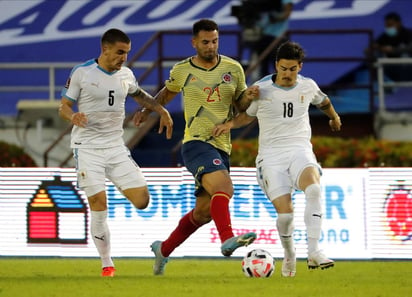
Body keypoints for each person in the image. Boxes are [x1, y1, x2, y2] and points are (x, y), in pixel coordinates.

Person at [134, 19, 259, 275]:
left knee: (203, 213)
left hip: (222, 147)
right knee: (224, 187)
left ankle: (163, 249)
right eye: (205, 42)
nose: (211, 46)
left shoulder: (233, 68)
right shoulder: (182, 70)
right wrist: (148, 110)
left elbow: (242, 107)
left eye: (214, 41)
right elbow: (167, 93)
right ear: (194, 43)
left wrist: (249, 98)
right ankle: (227, 239)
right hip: (195, 142)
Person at [213, 41, 341, 277]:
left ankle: (314, 251)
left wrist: (333, 117)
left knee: (313, 190)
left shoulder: (308, 86)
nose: (287, 74)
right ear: (276, 66)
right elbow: (246, 116)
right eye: (283, 68)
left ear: (300, 67)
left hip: (299, 149)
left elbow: (323, 102)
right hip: (271, 157)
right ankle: (289, 253)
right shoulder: (262, 89)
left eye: (292, 69)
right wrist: (229, 124)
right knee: (286, 215)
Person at [58, 28, 173, 277]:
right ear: (105, 49)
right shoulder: (82, 72)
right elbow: (64, 106)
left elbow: (138, 94)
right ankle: (106, 262)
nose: (123, 58)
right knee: (99, 204)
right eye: (120, 52)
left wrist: (160, 110)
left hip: (115, 147)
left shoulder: (126, 74)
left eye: (127, 53)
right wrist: (73, 115)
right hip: (88, 148)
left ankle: (113, 182)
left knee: (143, 201)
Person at [366, 12, 412, 81]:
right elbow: (373, 46)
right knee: (374, 54)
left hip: (407, 66)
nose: (388, 28)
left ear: (399, 23)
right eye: (386, 26)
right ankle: (382, 82)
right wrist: (375, 48)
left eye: (390, 25)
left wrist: (394, 50)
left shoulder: (408, 33)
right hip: (390, 66)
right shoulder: (385, 36)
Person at [253, 0, 294, 78]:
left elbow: (287, 14)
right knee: (263, 66)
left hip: (278, 37)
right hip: (264, 36)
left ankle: (280, 85)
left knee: (279, 64)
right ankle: (265, 85)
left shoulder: (286, 1)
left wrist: (275, 17)